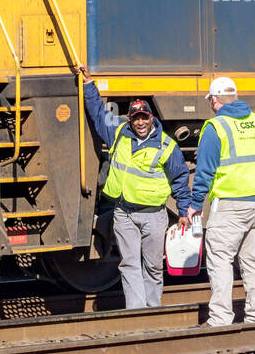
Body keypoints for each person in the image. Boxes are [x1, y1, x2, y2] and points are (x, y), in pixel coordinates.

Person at [79, 66, 191, 308]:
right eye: (136, 117)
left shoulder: (166, 146)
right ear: (130, 119)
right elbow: (98, 114)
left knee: (152, 266)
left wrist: (184, 211)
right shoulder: (119, 133)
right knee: (129, 264)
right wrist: (89, 85)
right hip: (124, 214)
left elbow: (180, 179)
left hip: (154, 216)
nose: (140, 122)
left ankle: (152, 309)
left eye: (144, 117)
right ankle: (136, 312)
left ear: (152, 118)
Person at [189, 76, 255, 327]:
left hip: (230, 205)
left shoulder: (216, 128)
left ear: (214, 100)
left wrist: (196, 203)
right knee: (253, 260)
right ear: (235, 97)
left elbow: (205, 170)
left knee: (220, 260)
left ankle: (221, 319)